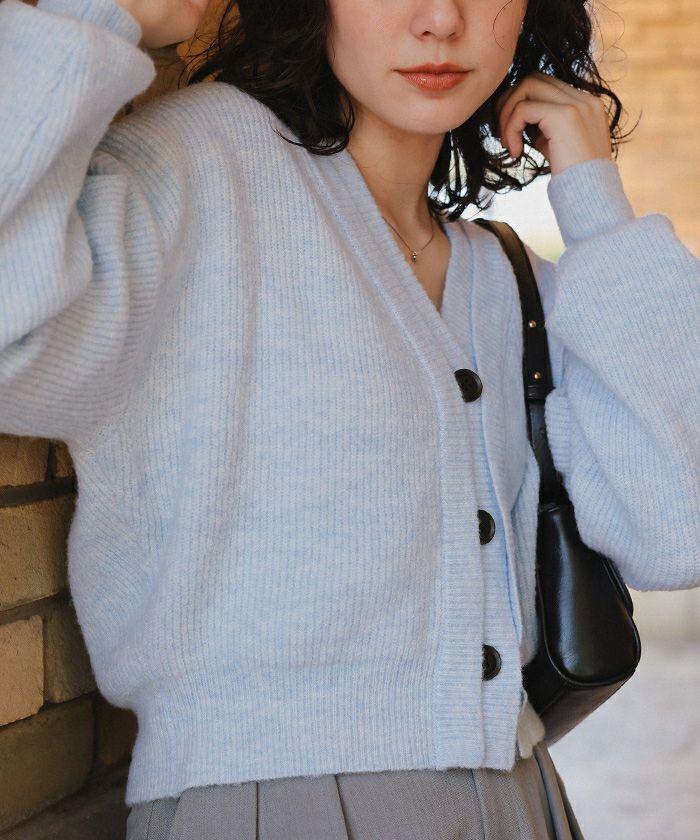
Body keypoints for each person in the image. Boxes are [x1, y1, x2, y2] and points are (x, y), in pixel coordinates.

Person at [1, 0, 699, 837]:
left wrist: (595, 204)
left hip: (523, 799)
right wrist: (95, 17)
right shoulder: (203, 164)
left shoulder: (507, 279)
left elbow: (677, 528)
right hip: (272, 803)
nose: (440, 19)